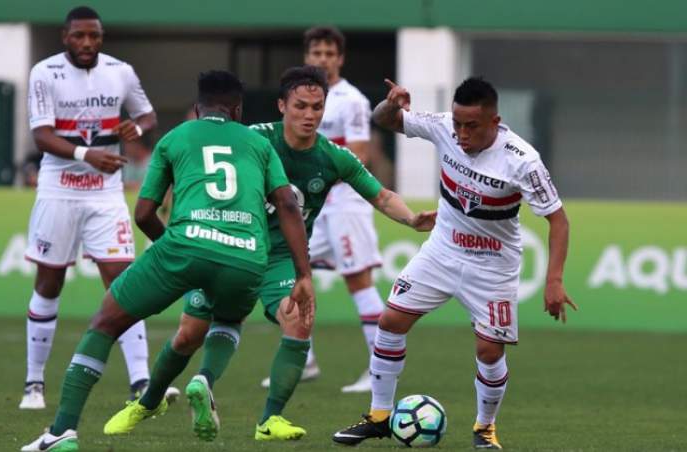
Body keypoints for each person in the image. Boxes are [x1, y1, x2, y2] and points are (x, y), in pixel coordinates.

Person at [102, 65, 436, 442]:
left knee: (299, 322)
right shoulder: (252, 140)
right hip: (230, 245)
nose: (309, 115)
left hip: (280, 258)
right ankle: (148, 402)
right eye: (300, 106)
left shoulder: (332, 157)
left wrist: (410, 219)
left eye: (317, 107)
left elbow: (380, 194)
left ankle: (268, 419)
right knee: (187, 335)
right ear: (281, 105)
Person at [21, 70, 314, 452]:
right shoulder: (257, 144)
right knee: (227, 318)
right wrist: (303, 274)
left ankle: (62, 432)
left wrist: (177, 252)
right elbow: (288, 203)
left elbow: (144, 213)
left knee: (105, 323)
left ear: (197, 107)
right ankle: (205, 380)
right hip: (246, 257)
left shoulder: (176, 137)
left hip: (184, 246)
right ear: (238, 110)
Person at [332, 77, 577, 449]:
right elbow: (386, 120)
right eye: (458, 124)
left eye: (472, 126)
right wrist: (393, 104)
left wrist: (554, 280)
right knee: (390, 321)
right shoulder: (444, 125)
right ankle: (379, 417)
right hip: (442, 251)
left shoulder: (522, 160)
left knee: (489, 351)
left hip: (493, 267)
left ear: (495, 122)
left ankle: (485, 429)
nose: (461, 133)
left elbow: (558, 219)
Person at [20, 6, 174, 410]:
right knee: (49, 282)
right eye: (79, 36)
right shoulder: (44, 72)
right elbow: (41, 135)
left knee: (122, 283)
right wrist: (88, 154)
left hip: (105, 192)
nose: (87, 43)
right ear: (64, 36)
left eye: (95, 36)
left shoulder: (120, 71)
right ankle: (34, 383)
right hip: (59, 189)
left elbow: (147, 114)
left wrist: (136, 128)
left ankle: (141, 382)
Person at [280, 25, 385, 394]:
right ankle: (304, 360)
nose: (322, 59)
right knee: (284, 272)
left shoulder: (351, 100)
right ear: (307, 56)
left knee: (359, 281)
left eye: (329, 54)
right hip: (311, 205)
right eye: (316, 53)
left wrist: (315, 176)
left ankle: (379, 371)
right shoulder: (302, 98)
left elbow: (360, 154)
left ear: (339, 59)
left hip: (345, 205)